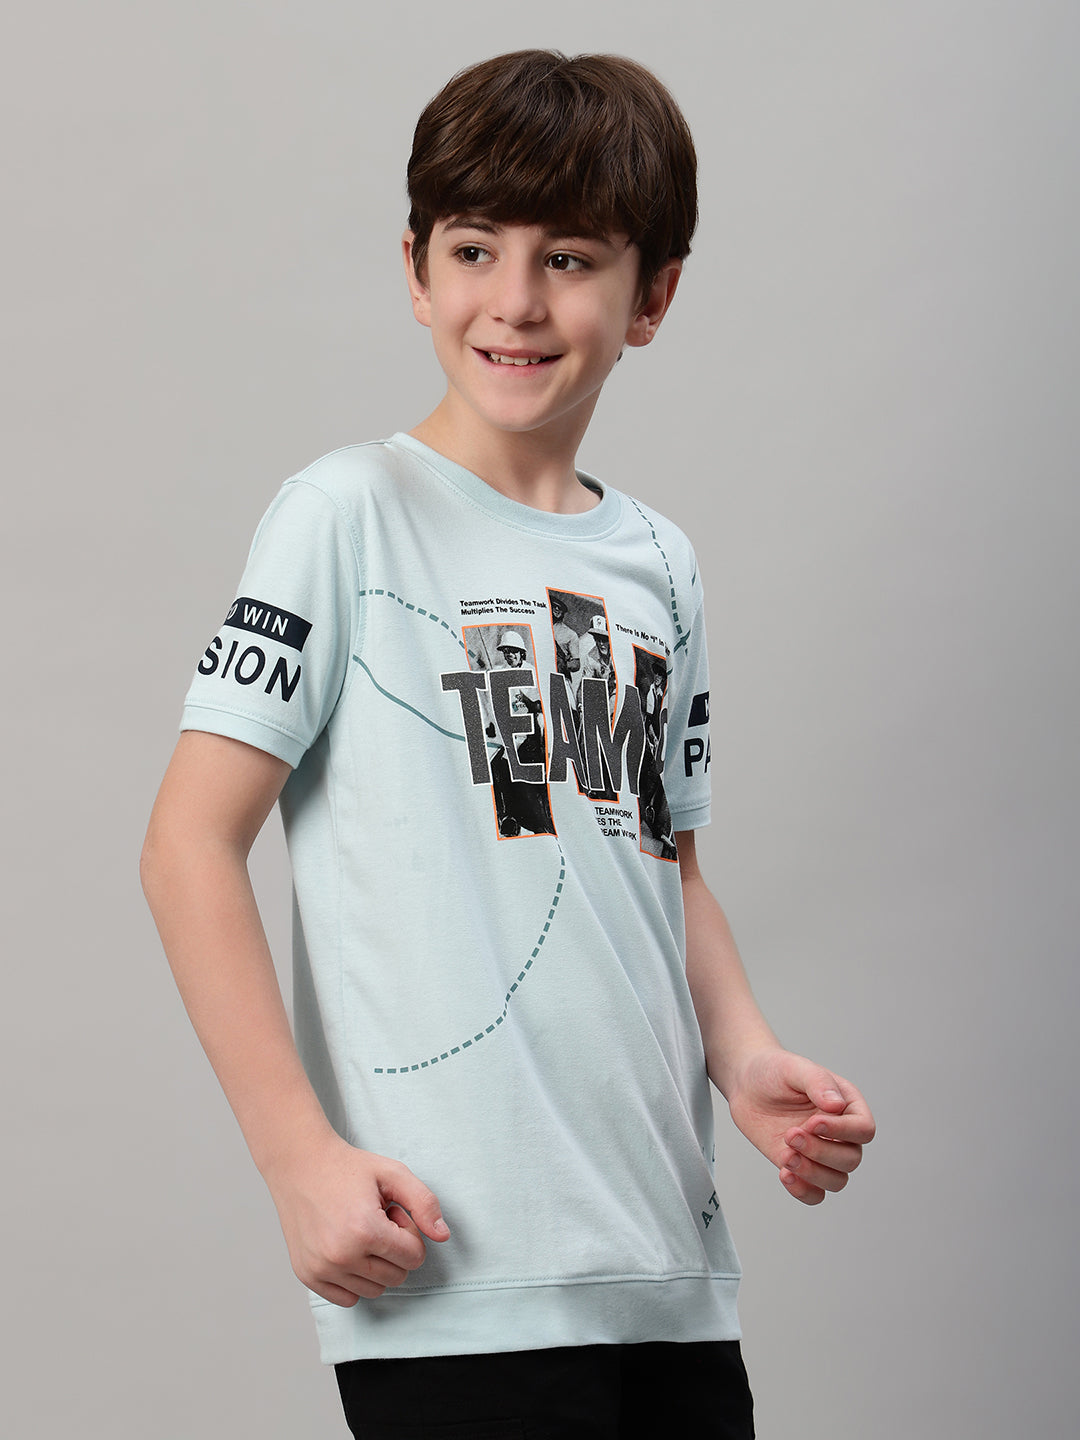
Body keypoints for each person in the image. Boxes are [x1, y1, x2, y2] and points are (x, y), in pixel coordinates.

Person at [141, 49, 875, 1438]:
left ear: (652, 296)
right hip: (452, 1263)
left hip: (665, 1265)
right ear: (417, 271)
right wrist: (297, 1158)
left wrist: (746, 1059)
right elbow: (186, 845)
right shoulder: (345, 515)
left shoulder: (661, 561)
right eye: (475, 250)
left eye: (571, 259)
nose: (517, 302)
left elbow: (667, 863)